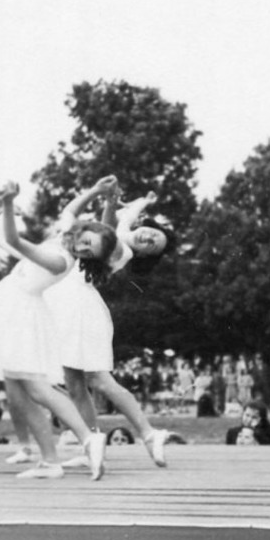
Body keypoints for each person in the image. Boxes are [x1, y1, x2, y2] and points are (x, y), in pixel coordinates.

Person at [0, 183, 108, 480]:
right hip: (11, 308)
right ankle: (50, 460)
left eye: (88, 250)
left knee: (37, 387)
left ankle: (87, 436)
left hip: (22, 315)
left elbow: (13, 239)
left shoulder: (61, 261)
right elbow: (71, 209)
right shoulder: (63, 238)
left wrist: (8, 203)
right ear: (81, 232)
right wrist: (95, 190)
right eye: (85, 240)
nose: (82, 247)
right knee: (19, 393)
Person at [42, 177, 175, 469]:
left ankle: (149, 433)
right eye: (152, 233)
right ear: (145, 224)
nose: (149, 239)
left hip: (80, 312)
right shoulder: (124, 230)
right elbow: (117, 223)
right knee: (75, 385)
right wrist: (141, 201)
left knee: (100, 380)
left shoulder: (122, 251)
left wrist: (110, 202)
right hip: (66, 307)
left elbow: (108, 233)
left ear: (143, 255)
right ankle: (92, 445)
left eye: (153, 245)